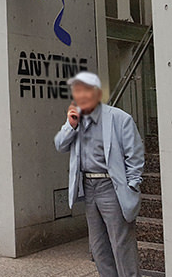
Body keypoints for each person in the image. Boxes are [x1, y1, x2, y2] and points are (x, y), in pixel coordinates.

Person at [54, 72, 144, 277]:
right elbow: (60, 145)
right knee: (98, 247)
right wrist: (70, 125)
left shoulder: (119, 118)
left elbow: (135, 156)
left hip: (111, 186)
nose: (79, 96)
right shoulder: (76, 120)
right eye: (76, 92)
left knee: (121, 245)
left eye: (84, 91)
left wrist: (132, 185)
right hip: (89, 188)